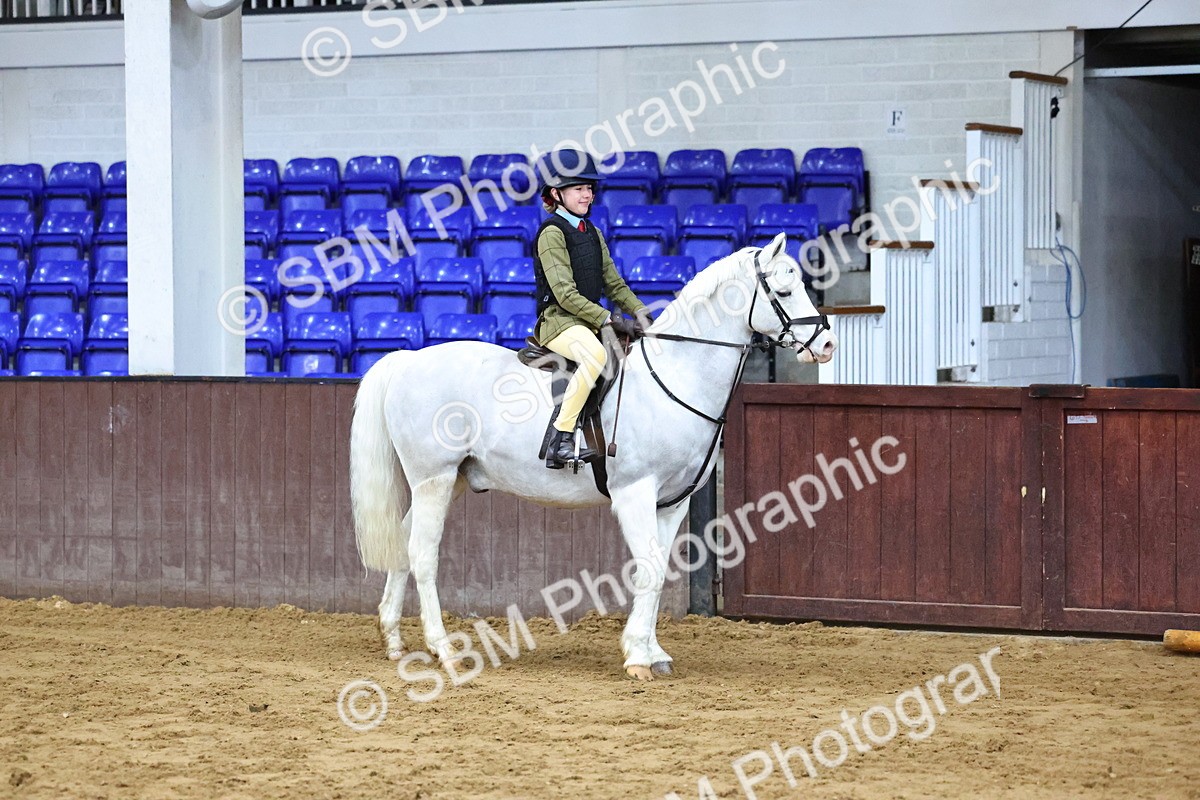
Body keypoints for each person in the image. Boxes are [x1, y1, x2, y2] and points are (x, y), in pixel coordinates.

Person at [532, 149, 652, 468]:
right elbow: (565, 294)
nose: (587, 194)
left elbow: (613, 283)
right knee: (596, 356)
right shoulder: (552, 234)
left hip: (587, 323)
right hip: (559, 323)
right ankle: (562, 437)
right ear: (556, 194)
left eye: (589, 188)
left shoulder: (592, 232)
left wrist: (643, 313)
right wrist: (610, 318)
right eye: (578, 188)